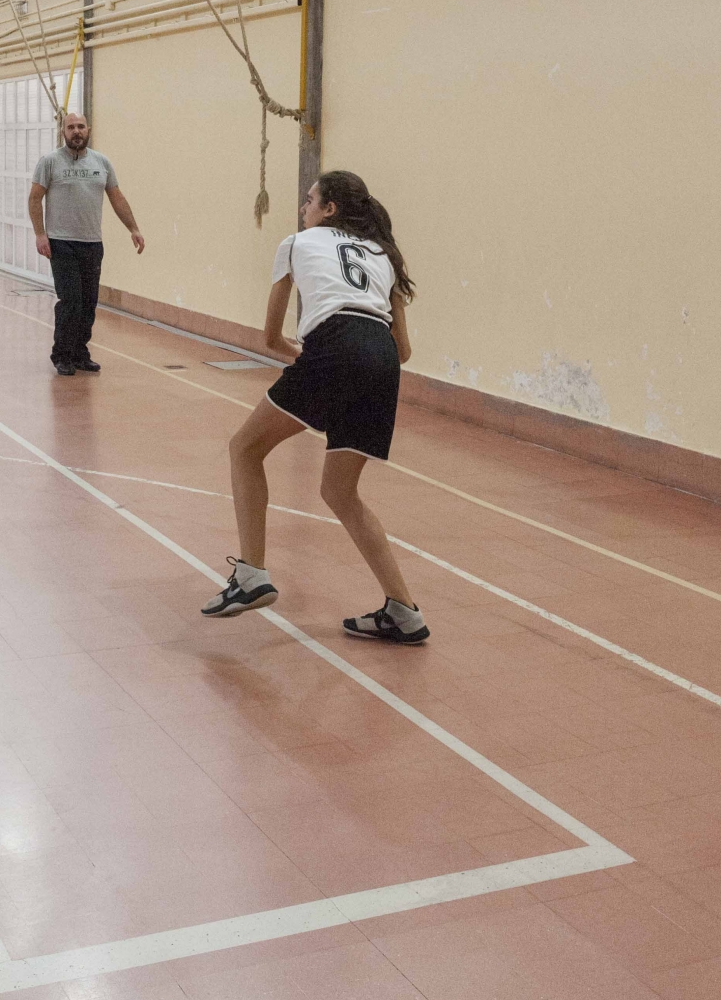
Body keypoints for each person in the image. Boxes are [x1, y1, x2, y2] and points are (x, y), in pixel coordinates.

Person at [201, 170, 430, 645]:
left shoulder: (296, 243)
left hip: (336, 345)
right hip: (383, 361)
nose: (303, 208)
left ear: (329, 209)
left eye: (309, 200)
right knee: (341, 492)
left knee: (245, 449)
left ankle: (251, 575)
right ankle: (404, 612)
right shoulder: (383, 254)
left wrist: (313, 362)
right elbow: (403, 350)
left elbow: (270, 338)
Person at [27, 110, 144, 377]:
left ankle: (80, 352)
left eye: (81, 126)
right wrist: (40, 234)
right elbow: (34, 199)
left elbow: (117, 197)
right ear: (63, 132)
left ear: (88, 130)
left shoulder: (102, 162)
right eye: (71, 127)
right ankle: (62, 355)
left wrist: (133, 228)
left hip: (92, 243)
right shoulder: (50, 162)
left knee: (89, 302)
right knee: (70, 301)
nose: (76, 131)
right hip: (61, 242)